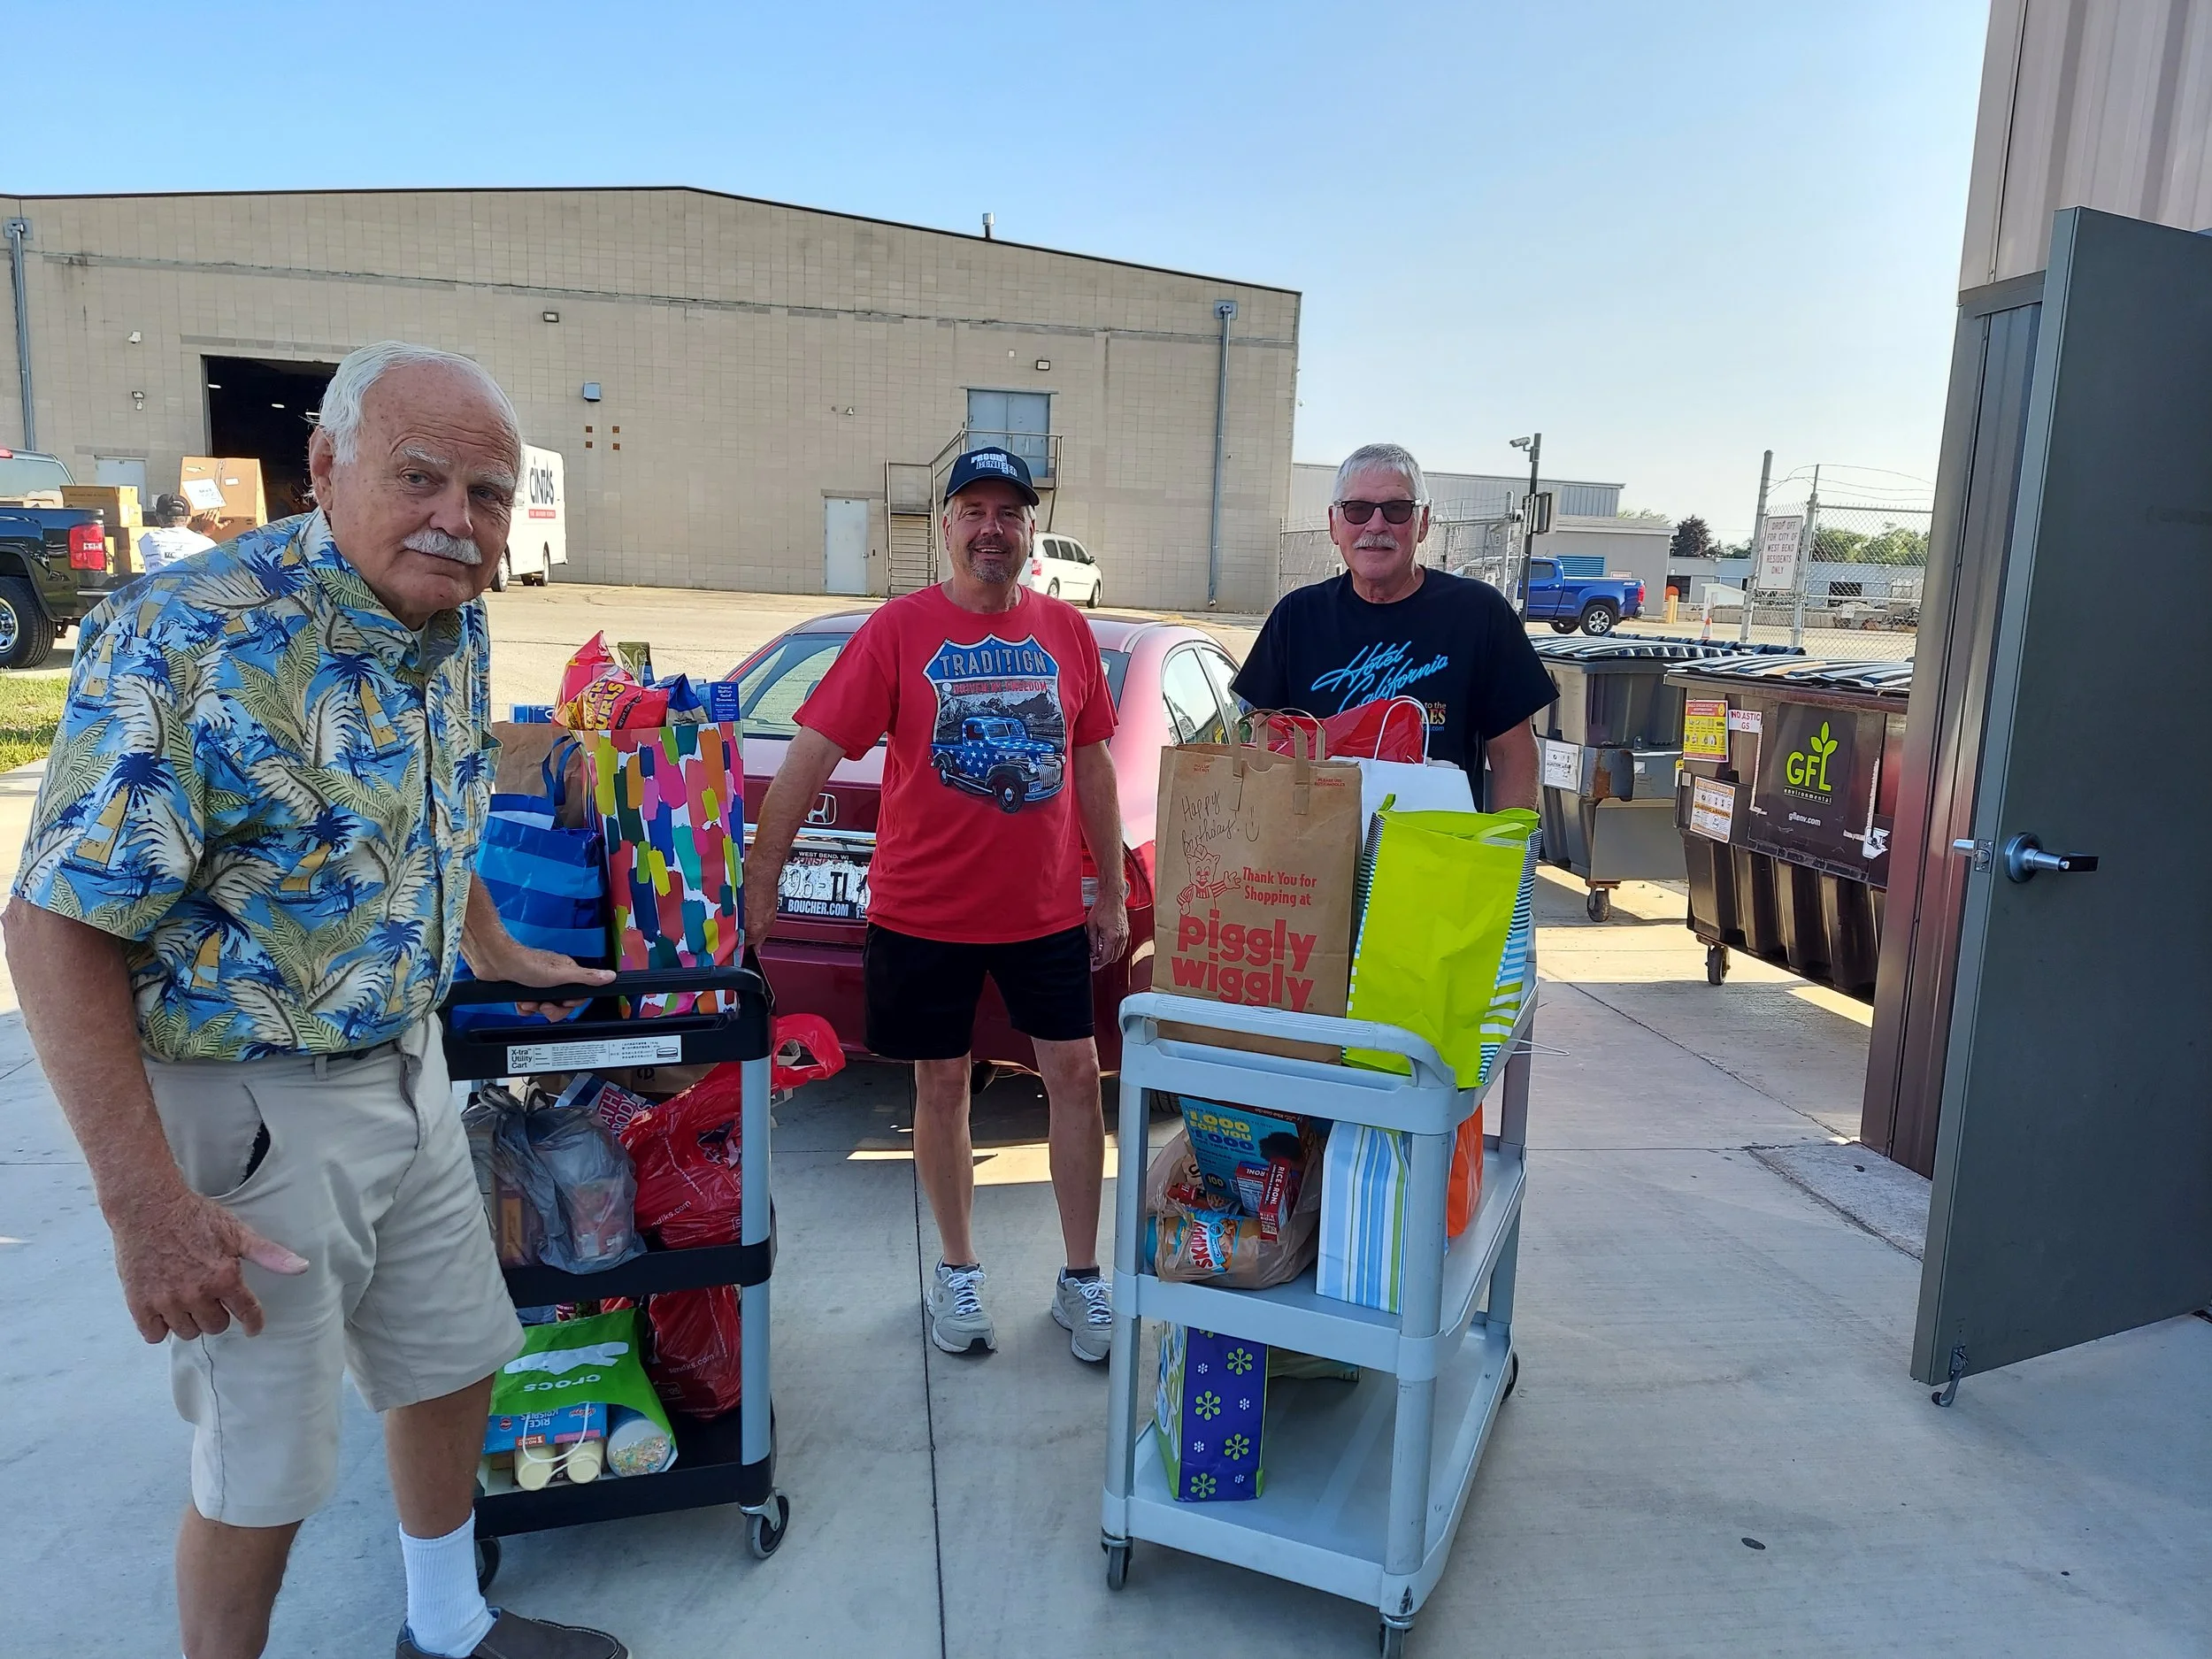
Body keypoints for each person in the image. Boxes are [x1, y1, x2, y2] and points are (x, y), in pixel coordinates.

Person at [4, 341, 626, 1659]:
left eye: (487, 490)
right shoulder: (192, 635)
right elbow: (51, 926)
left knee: (455, 1358)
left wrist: (495, 944)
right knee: (267, 1466)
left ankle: (446, 1623)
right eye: (419, 475)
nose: (457, 517)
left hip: (406, 1064)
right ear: (326, 465)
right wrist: (143, 1202)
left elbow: (431, 806)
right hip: (249, 1111)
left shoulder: (449, 616)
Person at [742, 446, 1127, 1363]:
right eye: (973, 510)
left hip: (1042, 914)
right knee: (940, 1083)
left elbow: (1091, 762)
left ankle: (1081, 1280)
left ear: (1031, 530)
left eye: (1010, 513)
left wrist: (1107, 885)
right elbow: (811, 752)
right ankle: (957, 1272)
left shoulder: (1067, 635)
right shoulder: (897, 631)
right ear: (947, 524)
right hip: (921, 911)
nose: (991, 528)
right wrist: (761, 878)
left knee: (1074, 1080)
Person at [1233, 442, 1554, 806]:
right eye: (1357, 509)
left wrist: (1508, 852)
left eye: (1397, 509)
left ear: (1424, 522)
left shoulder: (1480, 613)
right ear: (1334, 524)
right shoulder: (1296, 616)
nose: (1376, 524)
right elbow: (1260, 741)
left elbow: (1512, 752)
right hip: (1317, 851)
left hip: (1437, 853)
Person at [135, 493, 219, 574]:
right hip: (193, 588)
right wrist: (205, 532)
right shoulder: (208, 544)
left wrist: (203, 533)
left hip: (160, 588)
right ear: (189, 519)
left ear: (158, 518)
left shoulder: (147, 540)